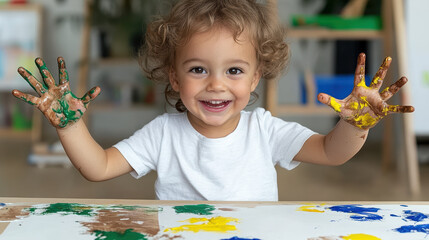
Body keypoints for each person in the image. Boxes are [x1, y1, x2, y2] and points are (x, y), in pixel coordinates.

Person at [12, 0, 414, 201]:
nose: (216, 85)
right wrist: (70, 125)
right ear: (173, 76)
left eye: (235, 71)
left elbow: (331, 151)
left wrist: (353, 124)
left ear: (257, 75)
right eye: (198, 70)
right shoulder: (162, 134)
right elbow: (97, 168)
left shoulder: (264, 130)